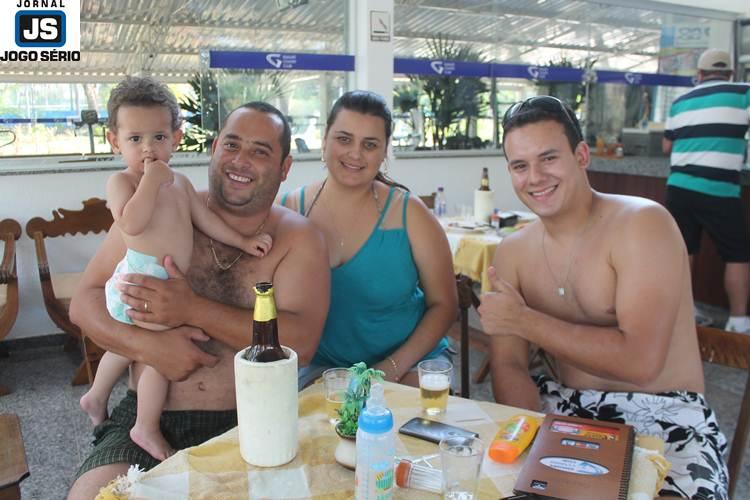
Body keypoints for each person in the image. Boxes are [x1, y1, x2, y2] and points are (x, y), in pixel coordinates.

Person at [67, 101, 330, 499]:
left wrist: (193, 309)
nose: (240, 160)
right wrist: (147, 346)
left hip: (251, 421)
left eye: (260, 151)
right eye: (231, 145)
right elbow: (83, 302)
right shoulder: (158, 203)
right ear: (213, 148)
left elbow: (302, 342)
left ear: (284, 167)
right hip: (146, 421)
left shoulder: (298, 237)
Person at [480, 95, 728, 498]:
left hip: (667, 416)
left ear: (581, 155)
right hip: (564, 411)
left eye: (548, 158)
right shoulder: (513, 253)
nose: (535, 177)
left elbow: (642, 363)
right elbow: (509, 365)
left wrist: (523, 320)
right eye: (520, 166)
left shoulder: (642, 224)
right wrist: (529, 433)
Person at [78, 76, 273, 462]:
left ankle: (96, 395)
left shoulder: (180, 183)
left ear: (176, 139)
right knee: (157, 353)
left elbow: (206, 220)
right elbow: (130, 223)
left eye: (158, 137)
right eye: (135, 139)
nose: (148, 148)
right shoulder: (122, 181)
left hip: (163, 280)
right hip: (141, 279)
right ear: (115, 141)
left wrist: (241, 241)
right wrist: (150, 182)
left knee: (136, 342)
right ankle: (145, 425)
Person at [281, 90, 457, 387]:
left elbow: (445, 304)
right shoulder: (288, 210)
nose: (355, 154)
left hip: (408, 363)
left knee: (399, 414)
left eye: (370, 144)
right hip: (323, 369)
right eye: (344, 139)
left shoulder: (410, 214)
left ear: (384, 151)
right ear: (325, 140)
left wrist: (389, 369)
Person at [663, 48, 750, 333]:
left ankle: (684, 313)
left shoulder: (680, 101)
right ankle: (738, 323)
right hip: (718, 188)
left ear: (699, 75)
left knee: (684, 250)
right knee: (737, 255)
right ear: (731, 73)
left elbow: (666, 145)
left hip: (679, 187)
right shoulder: (744, 92)